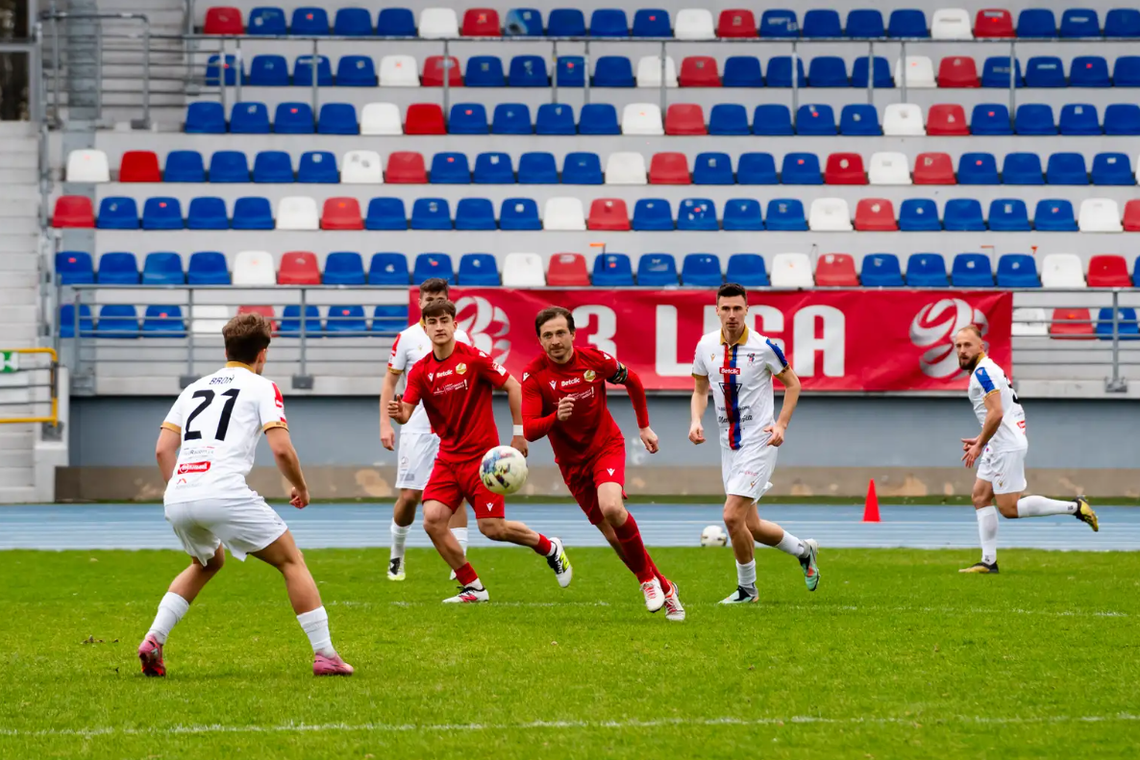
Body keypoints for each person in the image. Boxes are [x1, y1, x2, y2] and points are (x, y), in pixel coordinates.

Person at [138, 313, 352, 677]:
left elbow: (162, 450)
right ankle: (326, 655)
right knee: (291, 561)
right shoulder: (262, 387)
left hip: (178, 492)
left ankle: (154, 638)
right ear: (263, 353)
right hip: (222, 490)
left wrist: (182, 487)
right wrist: (300, 486)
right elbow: (282, 450)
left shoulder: (193, 389)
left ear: (226, 349)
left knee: (206, 563)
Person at [387, 300, 572, 603]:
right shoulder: (420, 371)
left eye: (444, 320)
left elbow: (513, 386)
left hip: (484, 460)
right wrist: (397, 413)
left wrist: (518, 434)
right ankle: (473, 586)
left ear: (455, 325)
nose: (439, 326)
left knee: (493, 528)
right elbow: (406, 412)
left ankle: (550, 547)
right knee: (432, 520)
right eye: (432, 322)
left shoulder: (473, 359)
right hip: (448, 457)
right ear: (425, 328)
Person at [522, 307, 685, 621]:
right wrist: (555, 417)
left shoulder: (596, 361)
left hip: (605, 447)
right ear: (540, 340)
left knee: (612, 508)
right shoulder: (533, 376)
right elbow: (529, 429)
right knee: (613, 536)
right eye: (547, 335)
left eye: (560, 333)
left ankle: (645, 581)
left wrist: (644, 426)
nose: (555, 341)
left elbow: (634, 381)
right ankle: (665, 588)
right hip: (572, 464)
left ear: (573, 334)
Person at [689, 283, 820, 604]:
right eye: (726, 308)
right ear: (716, 310)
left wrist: (781, 425)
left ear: (747, 310)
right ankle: (804, 551)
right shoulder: (705, 346)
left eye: (738, 308)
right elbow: (700, 389)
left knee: (731, 517)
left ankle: (748, 590)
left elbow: (793, 384)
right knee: (752, 525)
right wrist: (695, 420)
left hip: (759, 441)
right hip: (728, 443)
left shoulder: (764, 347)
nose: (732, 315)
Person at [954, 325, 1098, 573]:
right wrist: (982, 439)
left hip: (1005, 446)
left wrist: (980, 443)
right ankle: (988, 562)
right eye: (958, 346)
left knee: (1009, 508)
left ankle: (1075, 507)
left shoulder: (983, 372)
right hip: (999, 442)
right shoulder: (987, 369)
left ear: (981, 347)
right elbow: (1007, 412)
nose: (962, 350)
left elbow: (997, 412)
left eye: (967, 345)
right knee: (980, 496)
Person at [380, 278, 472, 582]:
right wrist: (385, 422)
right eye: (429, 298)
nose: (434, 302)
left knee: (456, 496)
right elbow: (390, 383)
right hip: (416, 428)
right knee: (410, 496)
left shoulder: (464, 337)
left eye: (440, 298)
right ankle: (397, 553)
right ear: (419, 302)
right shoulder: (406, 338)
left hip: (454, 430)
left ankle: (458, 563)